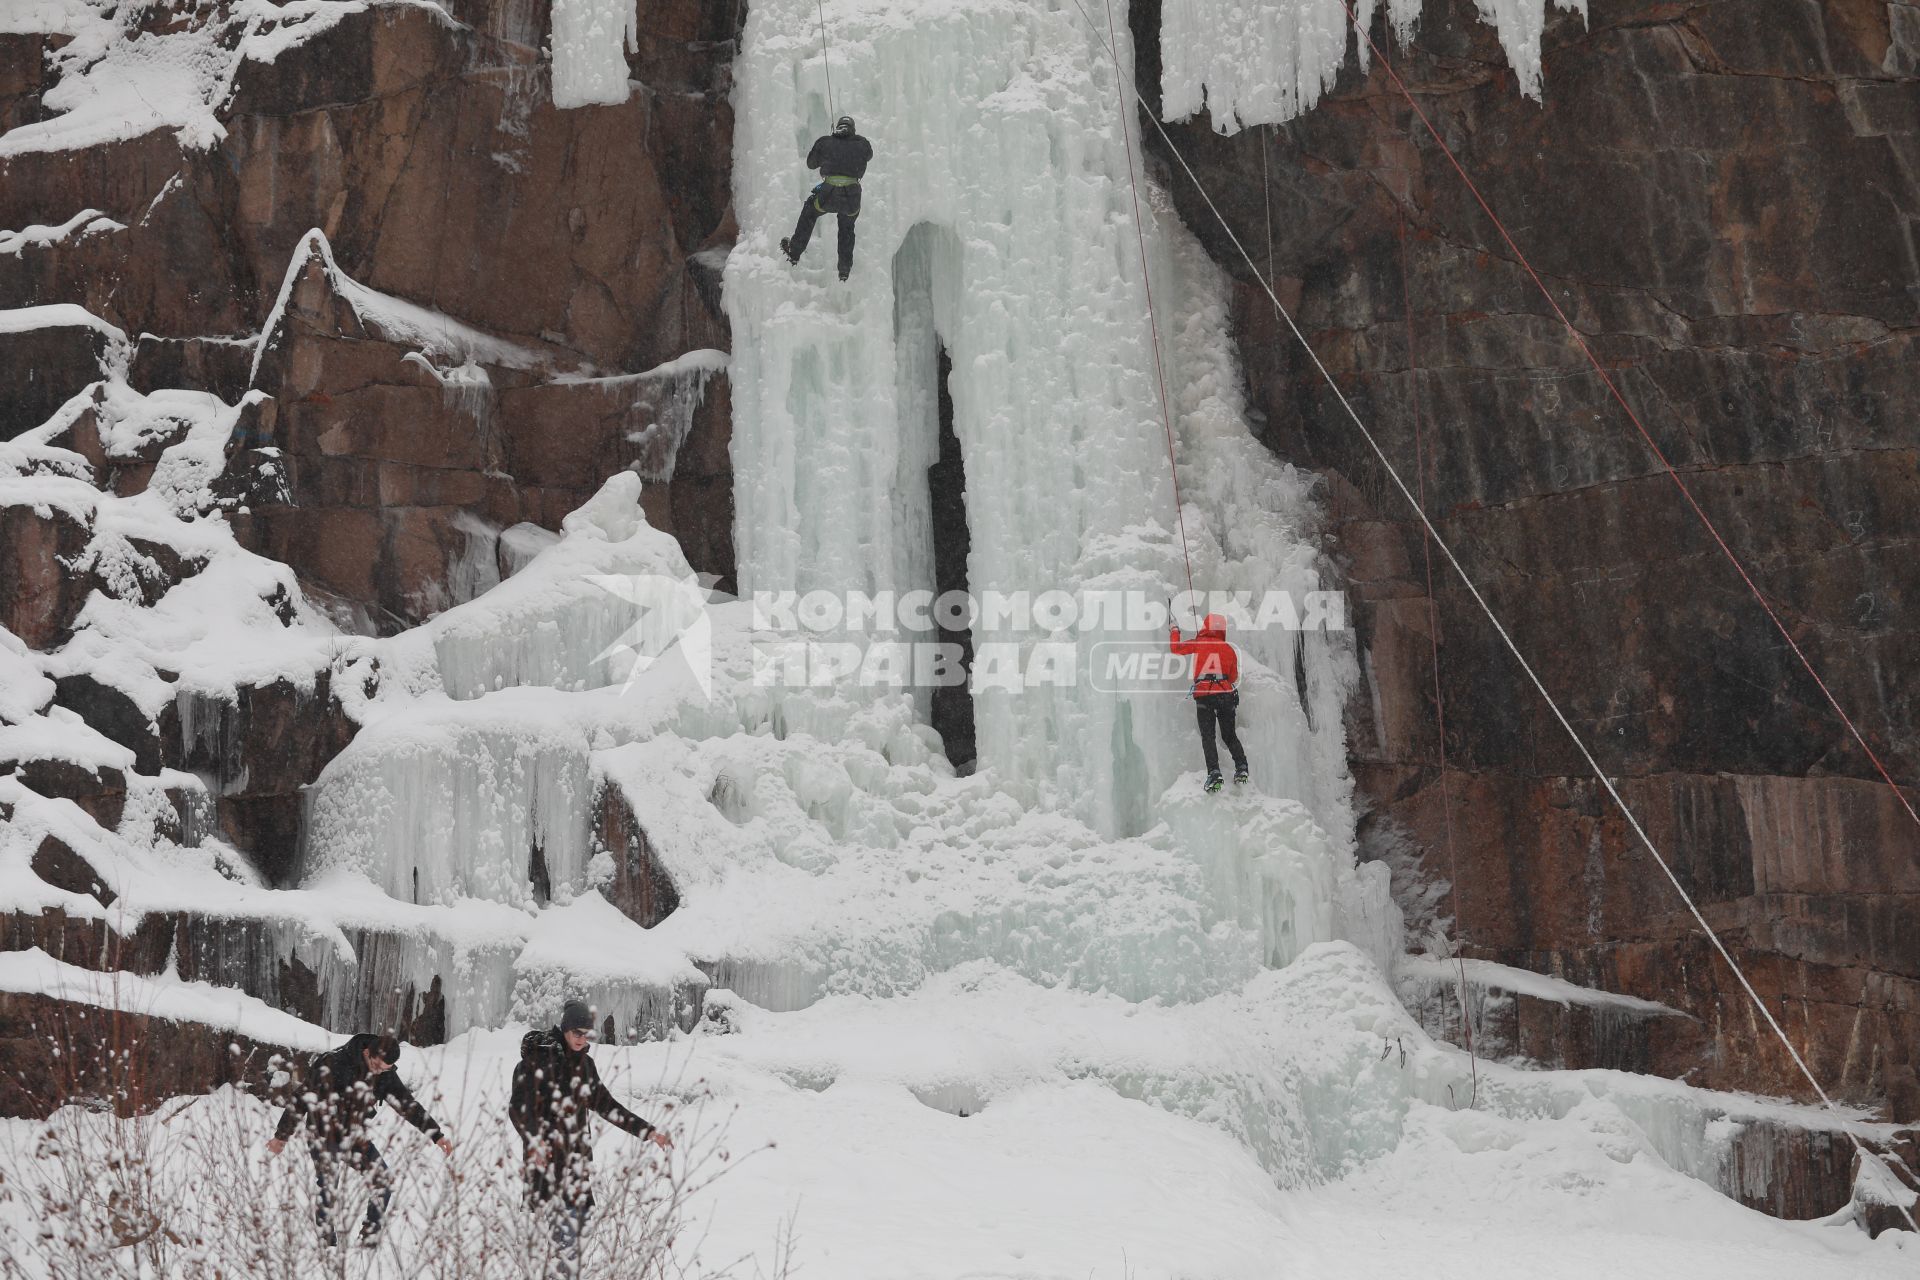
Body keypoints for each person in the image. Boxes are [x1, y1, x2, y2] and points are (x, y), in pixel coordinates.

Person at [511, 1001, 672, 1276]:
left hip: (576, 1166)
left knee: (573, 1241)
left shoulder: (586, 1066)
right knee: (564, 1246)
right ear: (564, 1029)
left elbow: (607, 1106)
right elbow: (518, 1108)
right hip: (547, 1164)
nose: (582, 1039)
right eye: (577, 1033)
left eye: (587, 1034)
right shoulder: (537, 1061)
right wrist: (535, 1141)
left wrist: (647, 1131)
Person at [265, 1032, 451, 1248]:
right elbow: (301, 1099)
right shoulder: (333, 1063)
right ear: (366, 1052)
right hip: (322, 1131)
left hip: (353, 1135)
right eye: (376, 1065)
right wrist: (281, 1136)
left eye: (385, 1069)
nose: (379, 1071)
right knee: (328, 1185)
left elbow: (407, 1105)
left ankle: (367, 1243)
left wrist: (436, 1134)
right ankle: (327, 1247)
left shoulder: (385, 1074)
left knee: (383, 1181)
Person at [780, 115, 874, 281]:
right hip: (852, 197)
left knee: (810, 211)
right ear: (853, 130)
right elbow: (868, 154)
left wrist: (830, 142)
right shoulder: (862, 144)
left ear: (837, 127)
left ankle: (794, 252)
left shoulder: (825, 142)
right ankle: (844, 270)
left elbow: (811, 163)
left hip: (828, 194)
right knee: (847, 227)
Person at [1169, 613, 1249, 794]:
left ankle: (1214, 773)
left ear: (1206, 626)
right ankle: (1242, 766)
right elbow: (1234, 676)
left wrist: (1174, 630)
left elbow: (1176, 648)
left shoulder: (1200, 642)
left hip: (1205, 694)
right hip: (1226, 694)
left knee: (1208, 736)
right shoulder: (1229, 648)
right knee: (1229, 735)